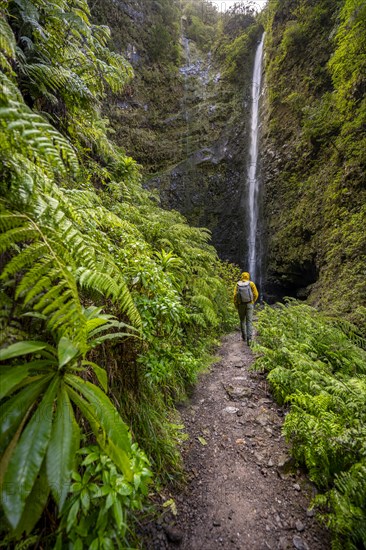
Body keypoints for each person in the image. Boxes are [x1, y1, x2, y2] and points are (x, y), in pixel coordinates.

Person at [233, 271, 259, 345]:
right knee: (249, 321)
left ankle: (244, 337)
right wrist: (253, 301)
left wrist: (236, 305)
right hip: (249, 304)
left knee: (242, 321)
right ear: (248, 276)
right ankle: (249, 339)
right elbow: (256, 294)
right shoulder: (251, 283)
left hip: (241, 305)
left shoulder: (238, 284)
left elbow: (235, 296)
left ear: (242, 276)